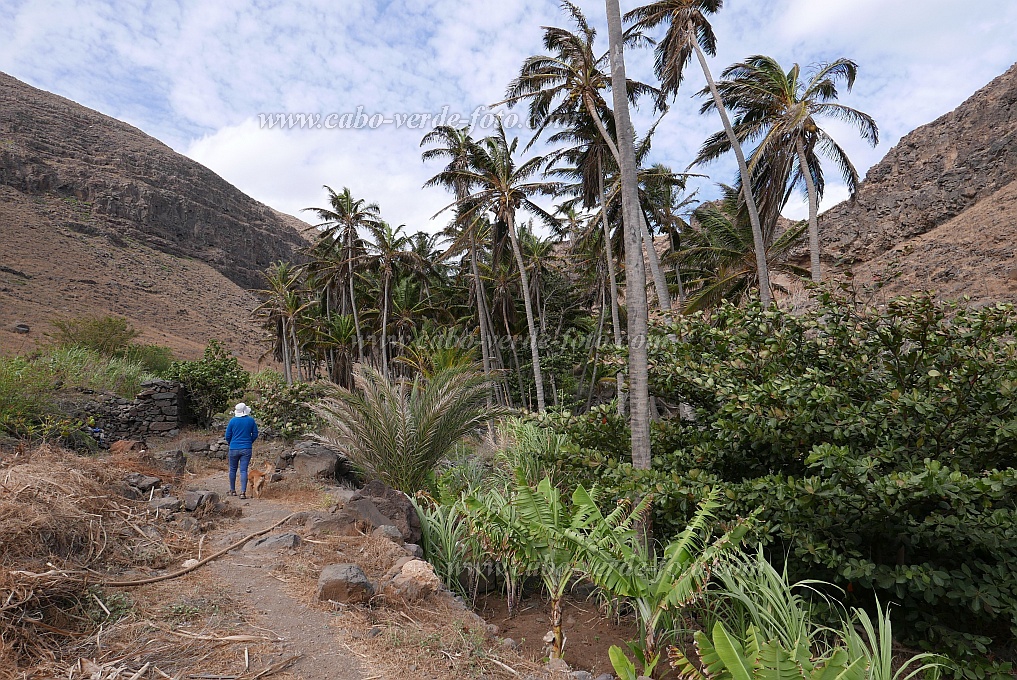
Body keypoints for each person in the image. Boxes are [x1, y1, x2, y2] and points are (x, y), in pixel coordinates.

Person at [224, 402, 259, 499]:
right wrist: (249, 442)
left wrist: (231, 443)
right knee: (243, 470)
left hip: (234, 448)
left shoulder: (232, 421)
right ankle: (243, 492)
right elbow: (255, 434)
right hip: (246, 448)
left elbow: (227, 436)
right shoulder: (251, 421)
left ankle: (232, 490)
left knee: (232, 469)